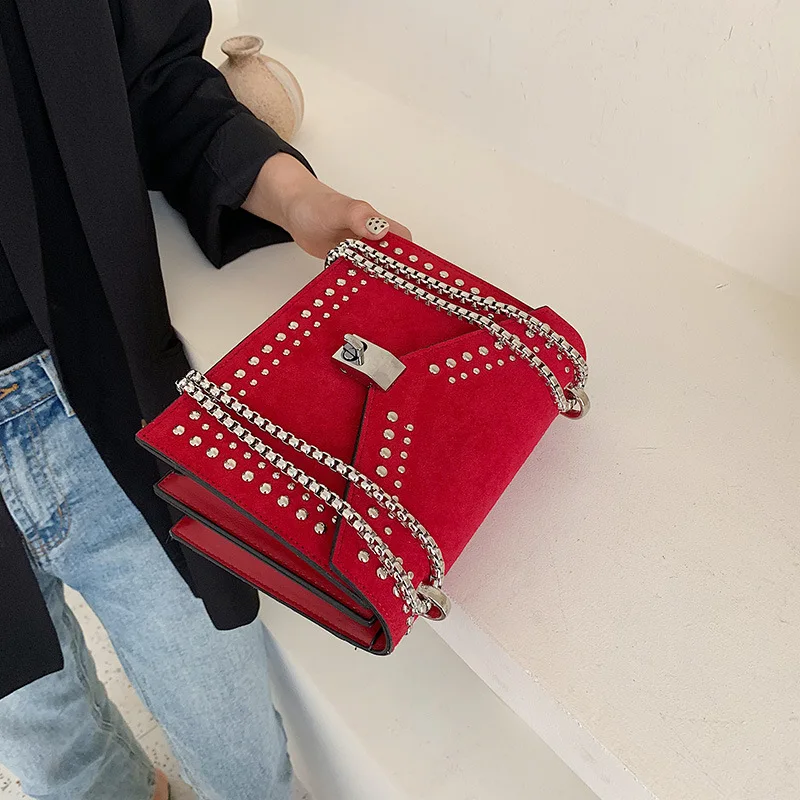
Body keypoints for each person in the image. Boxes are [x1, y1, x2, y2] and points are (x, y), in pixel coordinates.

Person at [0, 0, 409, 798]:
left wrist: (293, 195)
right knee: (56, 758)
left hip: (94, 395)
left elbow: (156, 78)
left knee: (239, 759)